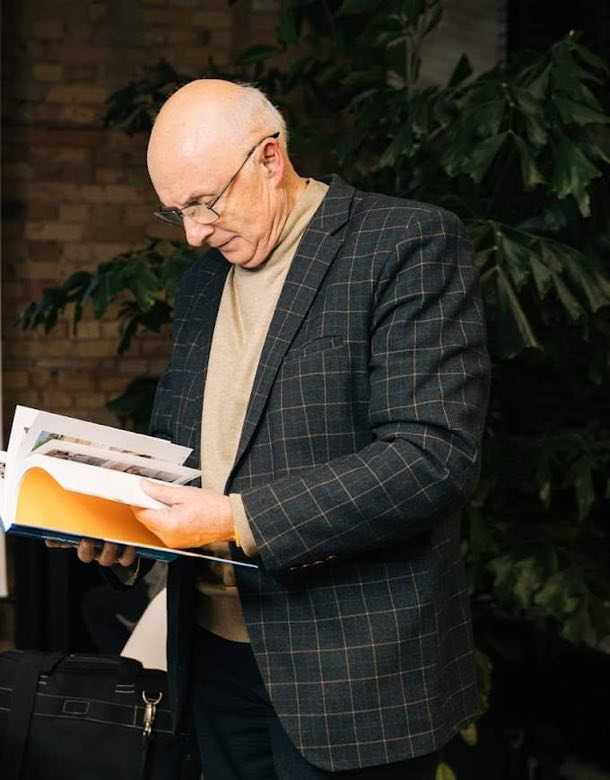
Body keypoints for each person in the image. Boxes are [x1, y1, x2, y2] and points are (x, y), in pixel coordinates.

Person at [58, 79, 490, 778]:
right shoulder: (204, 282)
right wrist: (128, 523)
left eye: (205, 202)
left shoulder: (404, 243)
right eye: (178, 212)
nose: (195, 233)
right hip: (214, 661)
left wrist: (234, 518)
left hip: (354, 675)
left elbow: (431, 457)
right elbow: (188, 450)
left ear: (269, 158)